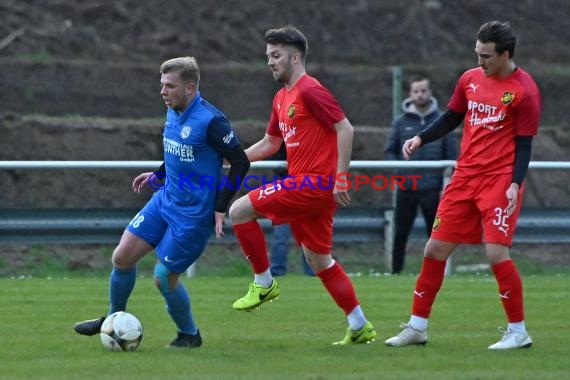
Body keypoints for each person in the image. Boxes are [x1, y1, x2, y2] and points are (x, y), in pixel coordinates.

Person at [73, 57, 250, 348]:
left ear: (190, 88)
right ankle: (112, 319)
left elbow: (241, 163)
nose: (163, 92)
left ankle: (189, 335)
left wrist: (220, 207)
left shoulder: (211, 122)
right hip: (165, 201)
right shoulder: (172, 110)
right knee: (122, 258)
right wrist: (158, 174)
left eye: (170, 86)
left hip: (194, 215)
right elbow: (179, 152)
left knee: (164, 277)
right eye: (162, 85)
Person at [385, 21, 541, 350]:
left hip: (499, 179)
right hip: (464, 177)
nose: (479, 61)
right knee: (434, 249)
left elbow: (525, 145)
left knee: (496, 252)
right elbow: (452, 117)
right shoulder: (469, 80)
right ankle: (417, 327)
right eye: (477, 54)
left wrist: (515, 183)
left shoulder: (525, 91)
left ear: (505, 55)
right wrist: (420, 137)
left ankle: (518, 331)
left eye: (486, 56)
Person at [228, 25, 376, 345]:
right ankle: (359, 324)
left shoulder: (310, 90)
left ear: (295, 57)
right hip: (309, 188)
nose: (270, 61)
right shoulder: (282, 98)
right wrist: (233, 160)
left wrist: (340, 177)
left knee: (239, 211)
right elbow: (270, 143)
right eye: (268, 55)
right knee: (319, 260)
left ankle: (264, 283)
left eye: (276, 55)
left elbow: (345, 128)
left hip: (314, 184)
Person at [384, 76, 457, 274]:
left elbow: (452, 155)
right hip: (406, 187)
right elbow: (389, 151)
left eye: (423, 91)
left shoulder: (442, 121)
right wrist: (398, 171)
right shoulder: (400, 122)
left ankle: (435, 273)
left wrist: (445, 180)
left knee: (435, 235)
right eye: (416, 91)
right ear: (410, 93)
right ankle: (395, 274)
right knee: (400, 235)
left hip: (432, 189)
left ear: (430, 92)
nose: (420, 95)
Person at [269, 143, 314, 277]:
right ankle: (277, 271)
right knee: (280, 234)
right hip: (285, 185)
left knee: (308, 233)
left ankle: (312, 271)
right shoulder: (281, 134)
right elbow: (271, 153)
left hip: (306, 185)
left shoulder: (310, 135)